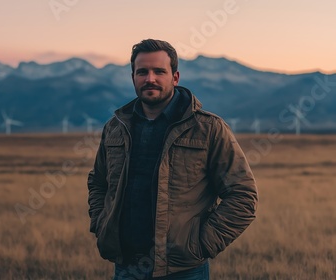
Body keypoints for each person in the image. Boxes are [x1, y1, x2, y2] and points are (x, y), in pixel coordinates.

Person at [87, 39, 258, 280]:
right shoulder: (115, 128)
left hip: (183, 270)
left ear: (175, 77)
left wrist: (201, 245)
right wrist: (101, 222)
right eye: (142, 72)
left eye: (159, 71)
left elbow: (243, 195)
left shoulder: (209, 129)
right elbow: (98, 183)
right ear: (133, 77)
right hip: (126, 266)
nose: (150, 79)